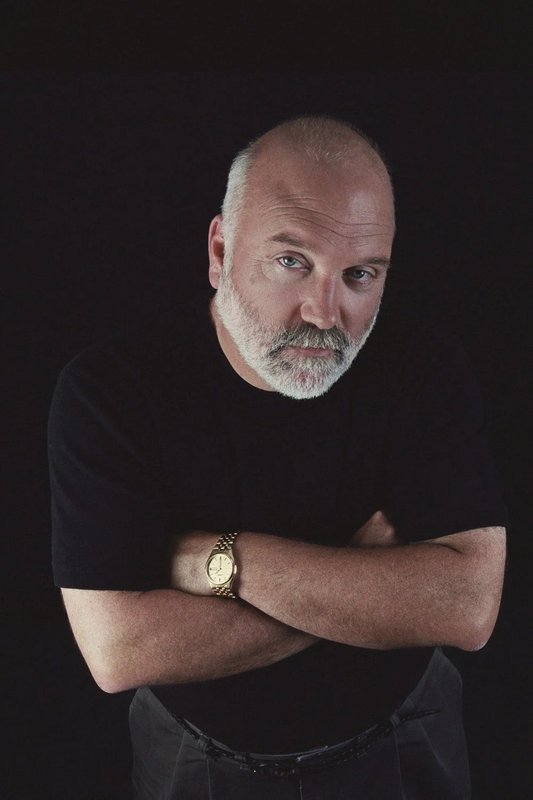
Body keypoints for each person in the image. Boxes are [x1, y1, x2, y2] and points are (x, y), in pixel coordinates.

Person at [48, 116, 508, 799]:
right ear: (220, 250)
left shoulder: (421, 366)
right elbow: (119, 652)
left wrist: (224, 562)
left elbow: (466, 608)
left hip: (404, 737)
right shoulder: (112, 392)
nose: (324, 312)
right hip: (197, 760)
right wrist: (364, 580)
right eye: (292, 262)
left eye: (359, 274)